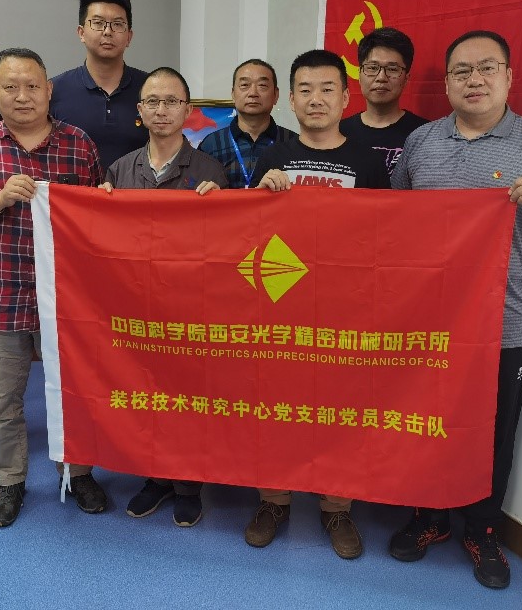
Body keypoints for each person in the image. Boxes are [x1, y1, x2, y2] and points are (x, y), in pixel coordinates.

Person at [390, 30, 522, 589]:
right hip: (425, 323)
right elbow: (395, 222)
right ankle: (428, 518)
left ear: (508, 77)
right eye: (461, 71)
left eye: (487, 68)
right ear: (447, 82)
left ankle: (482, 530)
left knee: (493, 434)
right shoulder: (421, 143)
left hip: (502, 324)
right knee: (424, 423)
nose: (474, 80)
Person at [0, 48, 106, 528]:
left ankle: (77, 473)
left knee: (74, 394)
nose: (23, 96)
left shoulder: (78, 144)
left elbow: (101, 211)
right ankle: (9, 481)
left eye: (32, 86)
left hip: (67, 301)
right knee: (2, 401)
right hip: (1, 297)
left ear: (49, 90)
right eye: (10, 87)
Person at [245, 49, 389, 560]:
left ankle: (336, 507)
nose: (316, 99)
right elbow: (247, 234)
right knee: (276, 408)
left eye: (327, 89)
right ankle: (274, 501)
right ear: (290, 99)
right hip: (281, 310)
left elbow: (387, 239)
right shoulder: (273, 158)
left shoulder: (368, 162)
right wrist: (260, 193)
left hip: (343, 313)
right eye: (305, 89)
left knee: (339, 411)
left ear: (347, 98)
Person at [100, 67, 227, 528]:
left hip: (190, 308)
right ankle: (154, 477)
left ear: (188, 111)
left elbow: (227, 246)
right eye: (152, 101)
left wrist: (222, 204)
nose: (161, 110)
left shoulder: (210, 171)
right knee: (145, 393)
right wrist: (99, 205)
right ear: (140, 110)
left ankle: (188, 484)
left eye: (171, 101)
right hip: (136, 308)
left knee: (187, 397)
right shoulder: (120, 170)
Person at [49, 0, 149, 169]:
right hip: (74, 188)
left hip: (138, 188)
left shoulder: (151, 90)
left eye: (117, 24)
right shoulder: (54, 91)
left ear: (129, 37)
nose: (108, 31)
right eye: (98, 23)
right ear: (81, 33)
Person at [339, 27, 428, 176]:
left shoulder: (425, 134)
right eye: (372, 68)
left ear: (406, 79)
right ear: (359, 75)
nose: (381, 77)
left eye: (392, 69)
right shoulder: (338, 132)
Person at [197, 58, 297, 188]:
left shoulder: (293, 143)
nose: (253, 93)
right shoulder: (210, 145)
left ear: (276, 95)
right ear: (233, 94)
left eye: (262, 85)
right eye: (245, 85)